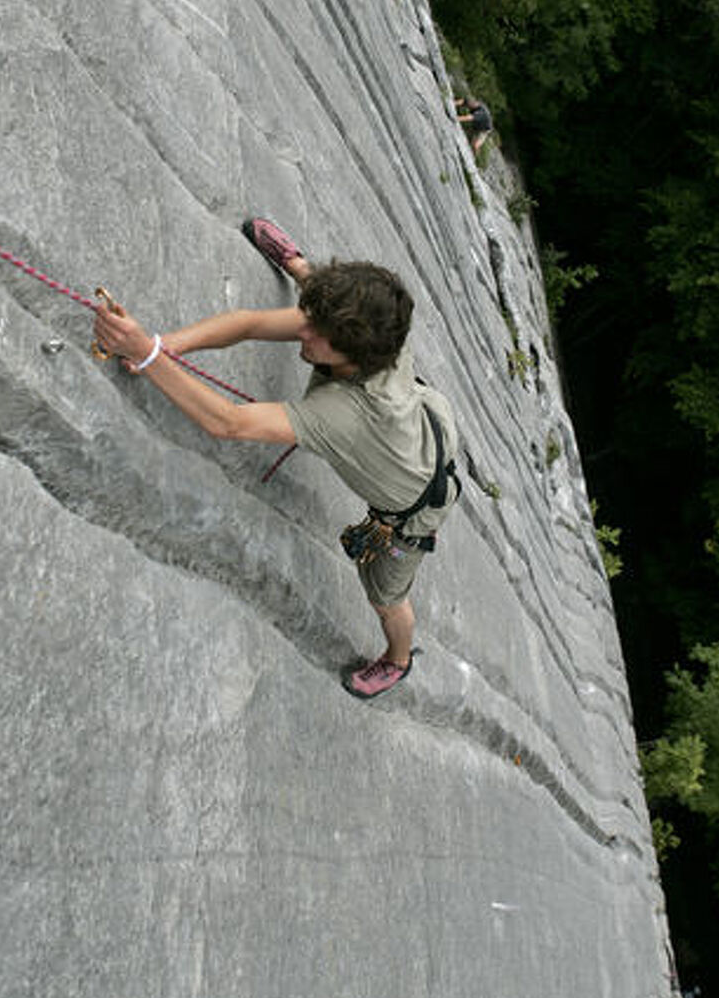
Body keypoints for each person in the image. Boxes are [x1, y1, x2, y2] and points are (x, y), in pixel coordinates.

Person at [93, 217, 460, 700]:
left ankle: (398, 660)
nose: (301, 335)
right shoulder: (378, 329)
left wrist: (145, 357)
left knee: (385, 596)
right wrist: (162, 346)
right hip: (429, 424)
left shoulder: (343, 415)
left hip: (416, 507)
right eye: (309, 318)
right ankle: (297, 264)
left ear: (347, 351)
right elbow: (249, 323)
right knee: (322, 305)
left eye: (316, 333)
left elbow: (228, 423)